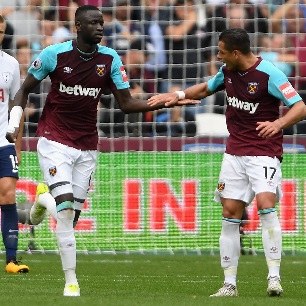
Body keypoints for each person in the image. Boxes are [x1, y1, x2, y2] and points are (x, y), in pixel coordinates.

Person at [5, 5, 197, 297]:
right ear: (78, 26)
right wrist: (14, 120)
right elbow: (24, 90)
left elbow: (127, 103)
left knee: (71, 215)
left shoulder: (109, 59)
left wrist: (164, 102)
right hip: (53, 140)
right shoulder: (53, 54)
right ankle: (71, 282)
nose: (100, 27)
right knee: (67, 211)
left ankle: (43, 200)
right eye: (93, 23)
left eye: (102, 23)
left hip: (86, 145)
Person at [148, 28, 306, 297]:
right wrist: (177, 95)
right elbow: (205, 89)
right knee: (230, 214)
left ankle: (274, 278)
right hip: (234, 153)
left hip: (264, 152)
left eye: (221, 51)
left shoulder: (270, 74)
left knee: (266, 206)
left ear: (235, 52)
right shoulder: (227, 71)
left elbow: (300, 106)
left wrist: (278, 123)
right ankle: (229, 284)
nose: (218, 55)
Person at [0, 14, 29, 274]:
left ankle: (11, 260)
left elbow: (16, 108)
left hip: (3, 142)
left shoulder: (10, 64)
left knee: (8, 194)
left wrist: (17, 146)